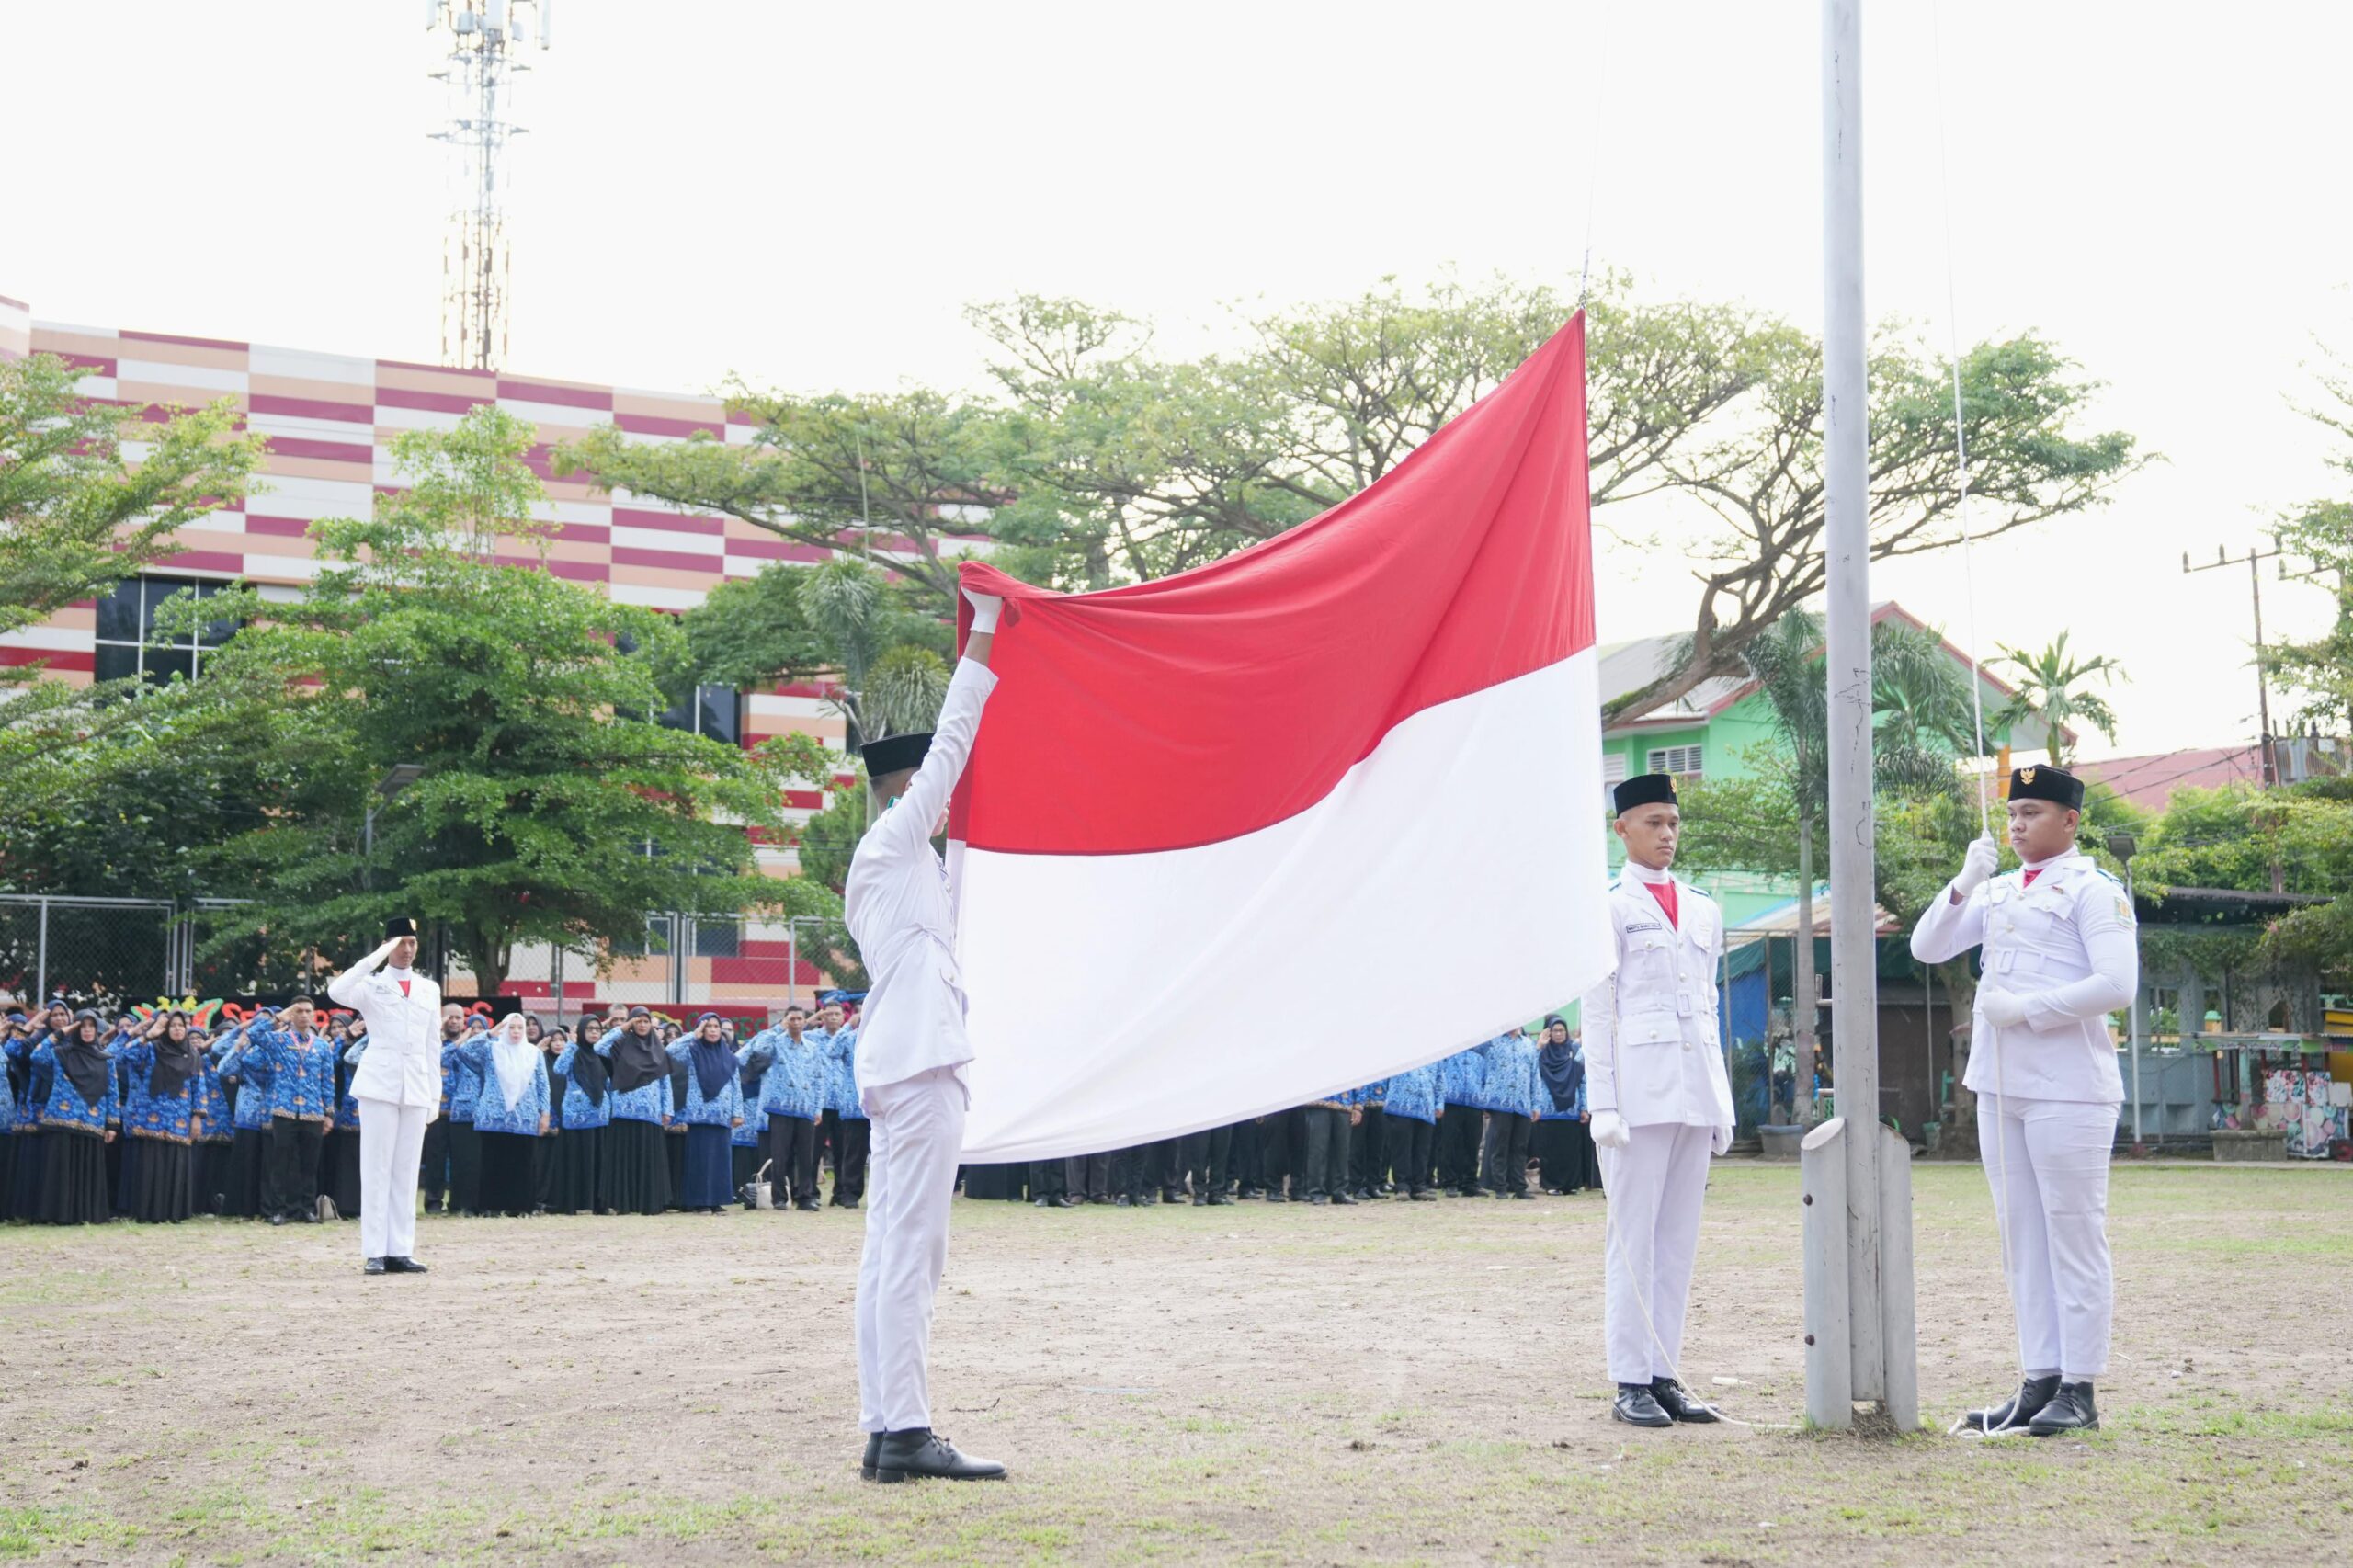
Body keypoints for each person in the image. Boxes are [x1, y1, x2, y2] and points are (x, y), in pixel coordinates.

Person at [1911, 765, 2134, 1437]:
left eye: (2032, 812)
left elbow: (2116, 984)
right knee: (2021, 1241)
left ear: (2070, 821)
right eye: (2012, 814)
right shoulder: (2001, 890)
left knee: (2073, 1235)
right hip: (2001, 1083)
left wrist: (2028, 1008)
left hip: (2068, 1086)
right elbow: (1927, 946)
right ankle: (2038, 1379)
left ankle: (2080, 1387)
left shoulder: (2095, 891)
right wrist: (1964, 880)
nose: (2016, 825)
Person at [845, 585, 1006, 1483]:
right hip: (918, 1063)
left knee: (890, 1248)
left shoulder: (898, 864)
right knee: (912, 1252)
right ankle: (904, 1429)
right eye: (930, 795)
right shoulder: (899, 838)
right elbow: (953, 741)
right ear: (907, 792)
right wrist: (985, 630)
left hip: (903, 1060)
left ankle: (885, 1425)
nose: (942, 806)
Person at [1583, 773, 1733, 1430]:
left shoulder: (1703, 907)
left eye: (1672, 822)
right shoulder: (1607, 905)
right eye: (1652, 823)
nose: (1666, 835)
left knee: (1676, 1243)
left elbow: (1710, 1008)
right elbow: (1597, 1010)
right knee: (1633, 1241)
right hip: (1637, 1099)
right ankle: (1628, 1379)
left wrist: (1722, 1104)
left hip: (1693, 1094)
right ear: (1622, 829)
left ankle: (1664, 1374)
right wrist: (1604, 1104)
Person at [329, 917, 448, 1276]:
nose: (408, 949)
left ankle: (400, 1249)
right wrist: (376, 955)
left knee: (407, 1171)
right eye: (400, 943)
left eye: (412, 943)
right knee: (377, 1167)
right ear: (387, 947)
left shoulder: (429, 989)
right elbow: (337, 990)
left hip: (415, 1085)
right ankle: (375, 1251)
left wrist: (433, 1097)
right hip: (380, 1083)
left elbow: (433, 1047)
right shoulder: (371, 984)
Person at [240, 996, 340, 1226]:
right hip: (284, 1110)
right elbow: (253, 1035)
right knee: (280, 1163)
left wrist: (329, 1113)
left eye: (308, 1011)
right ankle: (279, 1210)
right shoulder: (279, 1040)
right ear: (292, 1015)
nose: (304, 1015)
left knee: (309, 1163)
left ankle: (306, 1209)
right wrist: (278, 1018)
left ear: (313, 1015)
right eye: (299, 1011)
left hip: (313, 1111)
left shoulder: (322, 1046)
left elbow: (328, 1080)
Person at [18, 1009, 119, 1224]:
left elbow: (112, 1091)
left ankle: (85, 1214)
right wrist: (63, 1032)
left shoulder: (106, 1058)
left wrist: (112, 1124)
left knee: (87, 1171)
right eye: (82, 1026)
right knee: (60, 1171)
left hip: (92, 1121)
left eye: (91, 1026)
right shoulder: (61, 1053)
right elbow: (37, 1055)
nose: (87, 1030)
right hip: (61, 1120)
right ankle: (57, 1215)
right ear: (75, 1029)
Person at [452, 1013, 551, 1216]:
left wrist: (545, 1113)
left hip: (524, 1116)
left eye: (519, 1028)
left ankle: (520, 1207)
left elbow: (543, 1085)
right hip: (493, 1116)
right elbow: (464, 1051)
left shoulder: (534, 1053)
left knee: (522, 1163)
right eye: (511, 1027)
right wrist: (489, 1034)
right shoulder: (491, 1049)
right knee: (493, 1163)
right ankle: (491, 1207)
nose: (515, 1032)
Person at [117, 1010, 202, 1223]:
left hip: (179, 1119)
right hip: (150, 1118)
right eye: (172, 1025)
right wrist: (148, 1035)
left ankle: (172, 1213)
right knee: (150, 1165)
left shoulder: (192, 1054)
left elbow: (198, 1087)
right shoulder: (152, 1050)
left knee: (174, 1164)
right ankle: (147, 1212)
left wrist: (197, 1117)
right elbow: (124, 1056)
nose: (177, 1029)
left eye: (181, 1025)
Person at [741, 1006, 827, 1212]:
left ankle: (806, 1196)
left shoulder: (812, 1047)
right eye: (792, 1019)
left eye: (799, 1019)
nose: (796, 1023)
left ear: (805, 1022)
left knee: (806, 1156)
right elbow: (755, 1051)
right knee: (780, 1155)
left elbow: (818, 1078)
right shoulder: (775, 1042)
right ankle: (779, 1197)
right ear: (785, 1021)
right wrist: (776, 1029)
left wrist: (818, 1107)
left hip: (805, 1107)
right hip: (780, 1108)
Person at [593, 1006, 675, 1215]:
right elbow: (599, 1047)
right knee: (624, 1161)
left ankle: (649, 1203)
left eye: (646, 1021)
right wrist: (622, 1028)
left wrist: (668, 1109)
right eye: (638, 1021)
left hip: (651, 1114)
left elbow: (665, 1081)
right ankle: (623, 1204)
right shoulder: (620, 1045)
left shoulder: (659, 1050)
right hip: (624, 1113)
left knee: (648, 1160)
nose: (642, 1025)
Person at [665, 1012, 745, 1214]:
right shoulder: (693, 1052)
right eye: (708, 1026)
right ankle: (700, 1201)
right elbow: (670, 1050)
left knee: (720, 1160)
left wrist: (737, 1112)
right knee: (701, 1159)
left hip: (722, 1116)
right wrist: (694, 1034)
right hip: (700, 1116)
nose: (713, 1030)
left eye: (716, 1026)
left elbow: (736, 1085)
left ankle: (717, 1201)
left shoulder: (728, 1056)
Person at [549, 1023, 610, 1215]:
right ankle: (576, 1203)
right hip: (576, 1117)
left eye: (597, 1029)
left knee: (598, 1161)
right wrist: (572, 1044)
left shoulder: (601, 1054)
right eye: (589, 1029)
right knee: (577, 1161)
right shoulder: (573, 1052)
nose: (593, 1032)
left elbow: (608, 1082)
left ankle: (598, 1203)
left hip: (599, 1116)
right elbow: (559, 1068)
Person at [1532, 1019, 1597, 1196]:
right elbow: (1533, 1071)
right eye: (1555, 1031)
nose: (1559, 1034)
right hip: (1548, 1107)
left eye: (1562, 1030)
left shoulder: (1575, 1051)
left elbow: (1582, 1080)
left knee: (1570, 1149)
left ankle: (1570, 1184)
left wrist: (1584, 1107)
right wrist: (1539, 1046)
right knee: (1550, 1149)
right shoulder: (1542, 1052)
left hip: (1571, 1108)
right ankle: (1551, 1184)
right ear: (1549, 1033)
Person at [1479, 1030, 1542, 1200]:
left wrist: (1536, 1104)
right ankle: (1500, 1186)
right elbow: (1476, 1051)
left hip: (1523, 1103)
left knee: (1520, 1147)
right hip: (1500, 1102)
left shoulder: (1528, 1044)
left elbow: (1534, 1074)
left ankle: (1519, 1187)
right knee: (1500, 1146)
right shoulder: (1493, 1041)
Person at [1379, 1056, 1443, 1200]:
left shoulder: (1435, 1053)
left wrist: (1439, 1103)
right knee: (1402, 1148)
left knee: (1422, 1149)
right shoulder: (1400, 1050)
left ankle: (1418, 1186)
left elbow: (1440, 1079)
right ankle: (1402, 1186)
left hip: (1426, 1107)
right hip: (1401, 1105)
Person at [189, 1025, 233, 1215]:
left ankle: (223, 1205)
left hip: (231, 1120)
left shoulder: (236, 1061)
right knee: (204, 1164)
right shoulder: (204, 1060)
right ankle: (200, 1205)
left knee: (226, 1166)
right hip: (209, 1119)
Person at [1436, 1043, 1488, 1198]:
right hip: (1451, 1102)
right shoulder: (1447, 1054)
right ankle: (1449, 1182)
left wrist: (1484, 1102)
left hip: (1474, 1104)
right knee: (1449, 1143)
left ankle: (1470, 1182)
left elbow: (1485, 1081)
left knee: (1472, 1144)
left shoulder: (1479, 1057)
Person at [1300, 1090, 1358, 1206]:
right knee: (1318, 1149)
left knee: (1342, 1150)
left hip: (1344, 1102)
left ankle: (1339, 1191)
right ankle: (1317, 1192)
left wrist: (1358, 1106)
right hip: (1318, 1101)